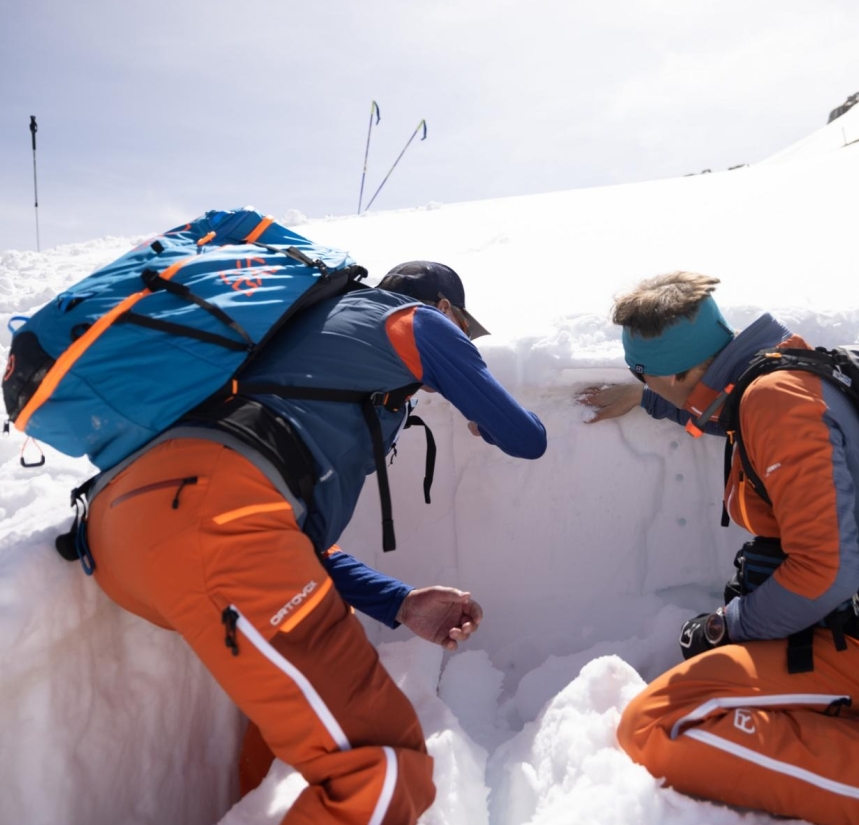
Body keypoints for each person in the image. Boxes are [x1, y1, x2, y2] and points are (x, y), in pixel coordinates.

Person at [86, 260, 546, 824]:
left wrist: (397, 602)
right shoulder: (419, 321)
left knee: (302, 709)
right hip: (216, 515)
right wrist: (485, 419)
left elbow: (279, 542)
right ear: (447, 310)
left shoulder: (298, 331)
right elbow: (528, 438)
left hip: (122, 521)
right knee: (384, 760)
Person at [580, 271, 859, 825]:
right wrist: (647, 399)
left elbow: (826, 572)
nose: (640, 380)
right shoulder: (778, 375)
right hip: (856, 626)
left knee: (660, 723)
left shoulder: (775, 403)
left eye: (641, 371)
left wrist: (729, 625)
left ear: (685, 371)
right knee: (696, 690)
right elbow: (721, 415)